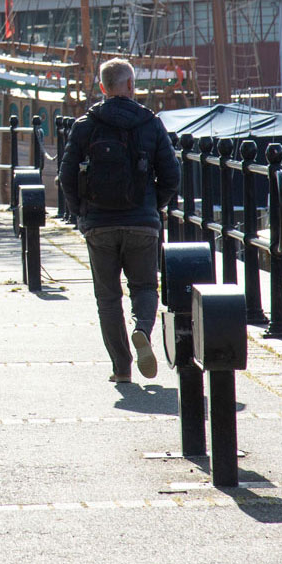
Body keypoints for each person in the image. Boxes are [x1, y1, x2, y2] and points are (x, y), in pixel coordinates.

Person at [58, 57, 180, 384]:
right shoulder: (150, 124)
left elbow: (66, 177)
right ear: (130, 85)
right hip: (142, 222)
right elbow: (171, 175)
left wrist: (82, 212)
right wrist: (152, 206)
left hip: (99, 224)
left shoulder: (84, 126)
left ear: (102, 88)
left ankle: (122, 368)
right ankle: (142, 328)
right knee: (143, 286)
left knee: (108, 297)